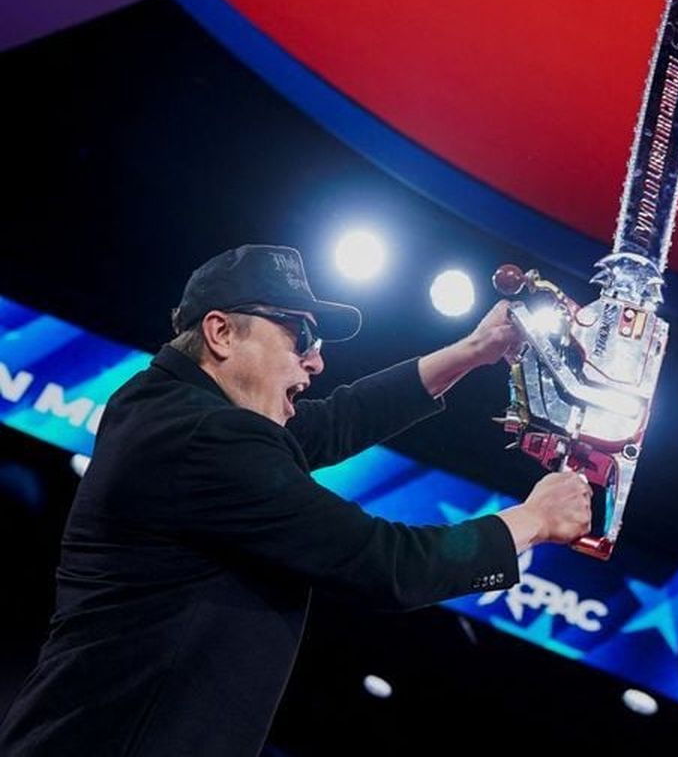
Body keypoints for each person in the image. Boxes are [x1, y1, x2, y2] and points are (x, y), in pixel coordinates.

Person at [0, 244, 592, 756]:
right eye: (299, 335)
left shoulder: (163, 405)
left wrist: (474, 349)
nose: (316, 360)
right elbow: (389, 564)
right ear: (222, 333)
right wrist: (532, 520)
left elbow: (332, 422)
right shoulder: (205, 438)